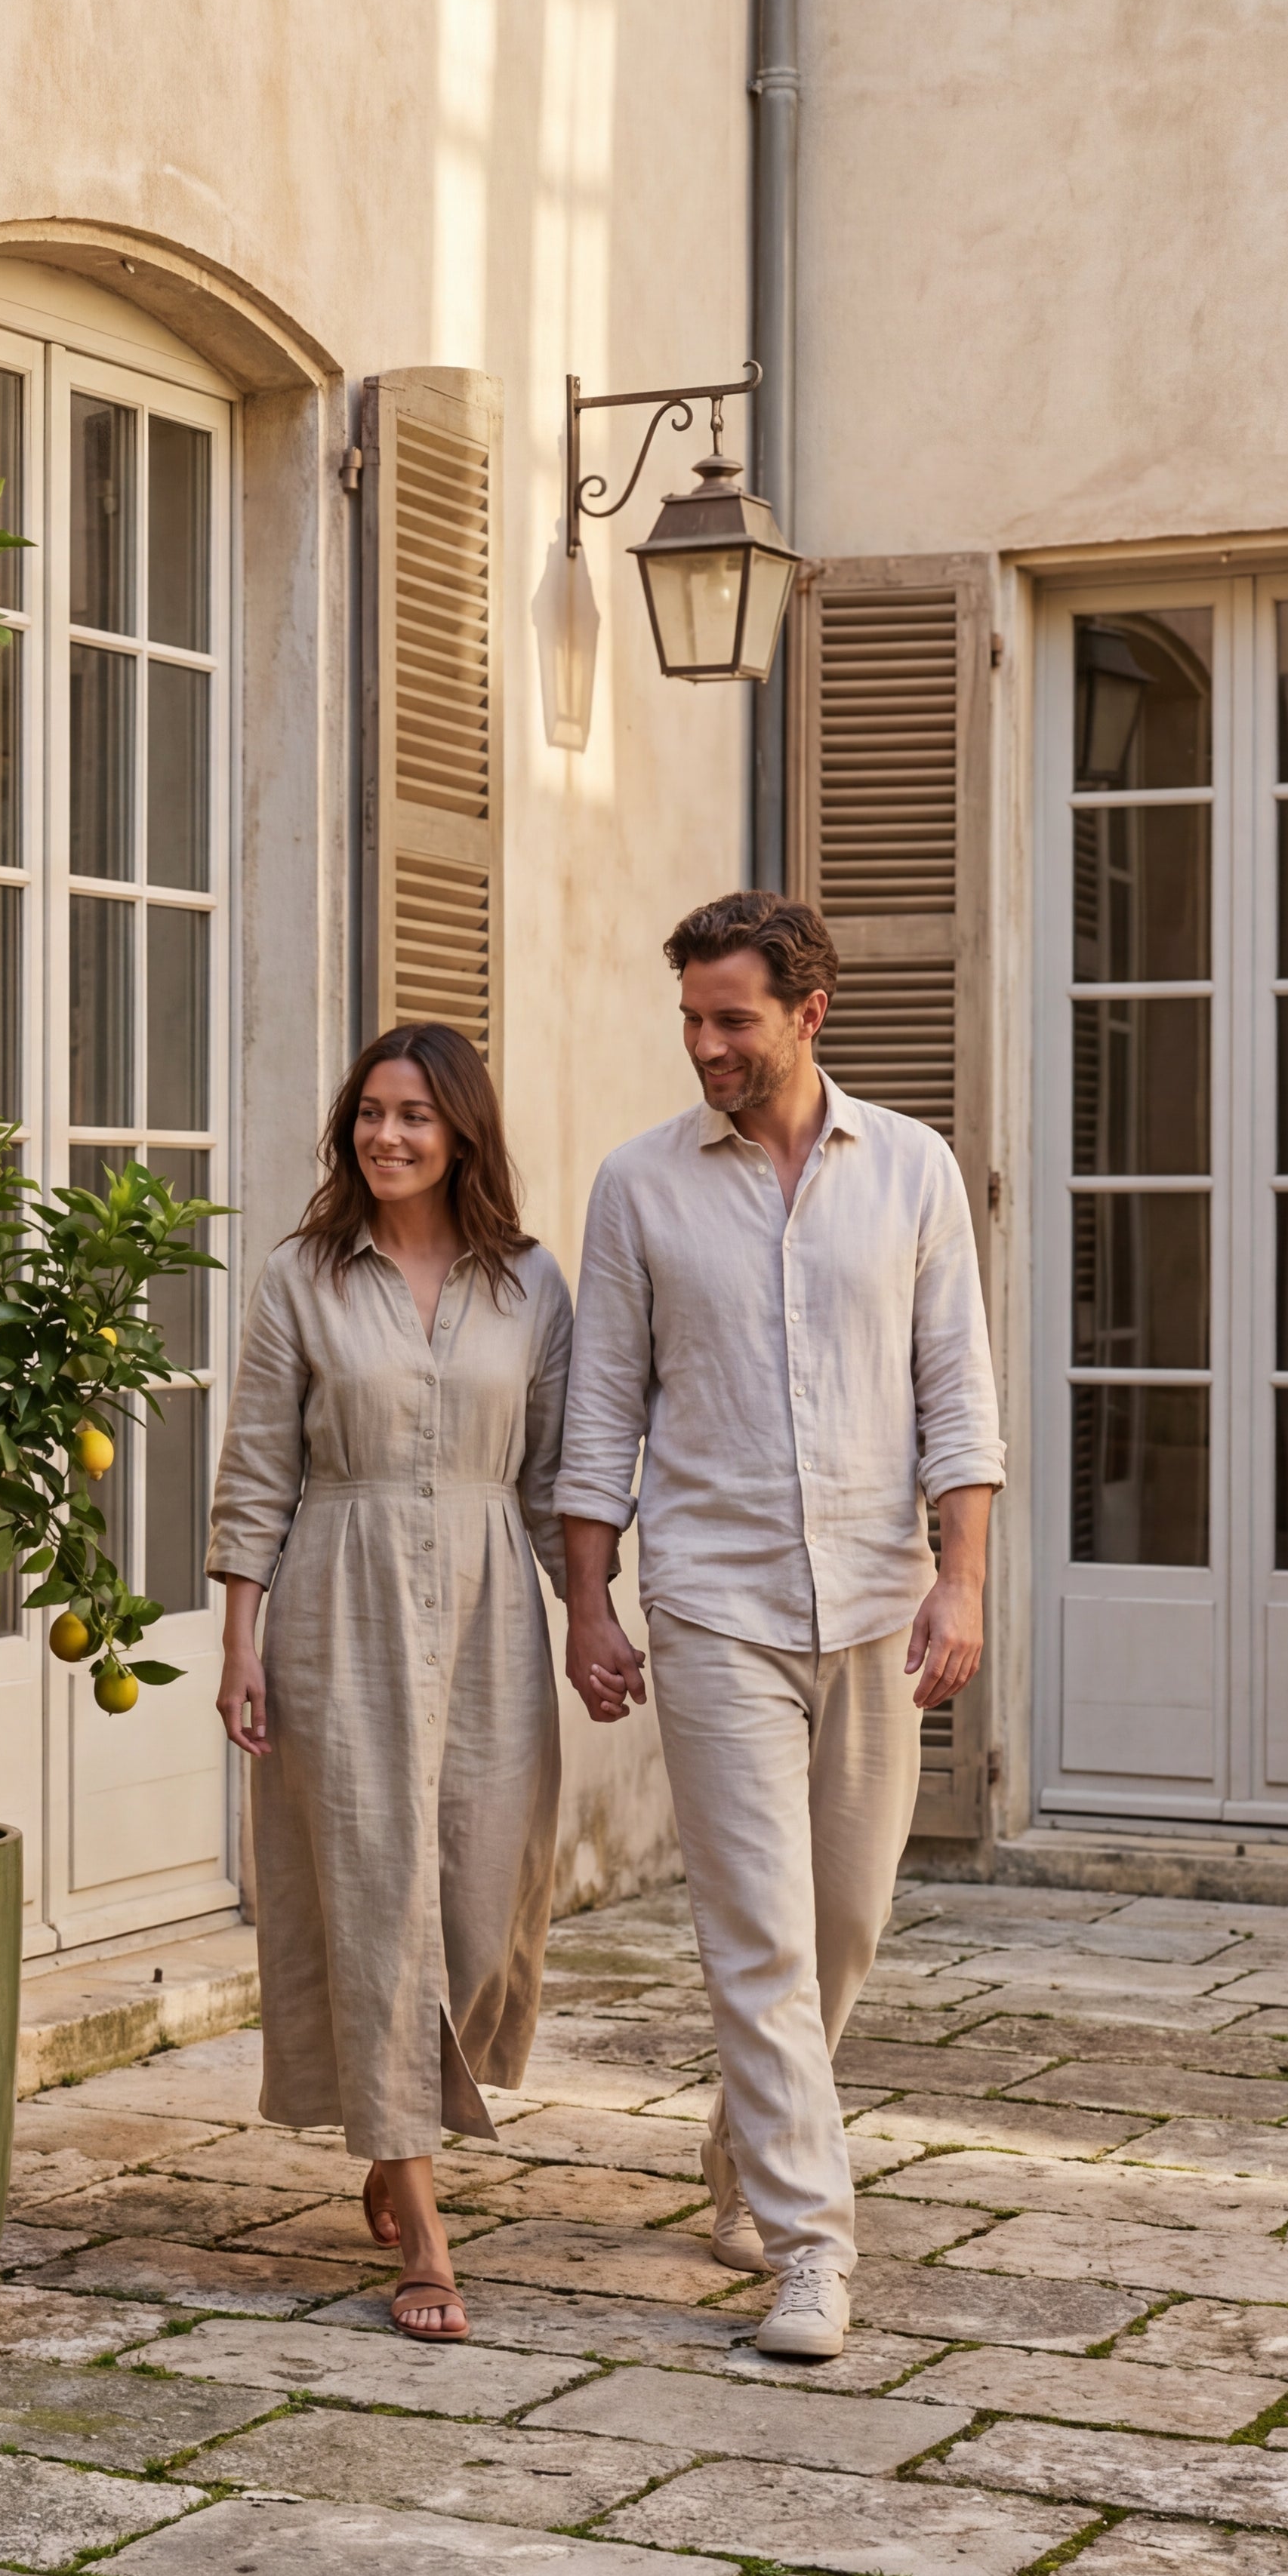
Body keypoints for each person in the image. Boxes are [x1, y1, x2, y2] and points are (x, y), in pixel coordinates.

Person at [556, 891, 1001, 2364]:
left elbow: (957, 1392)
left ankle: (745, 2136)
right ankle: (811, 2247)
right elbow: (599, 1407)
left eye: (728, 1018)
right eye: (688, 1018)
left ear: (808, 1014)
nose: (702, 1044)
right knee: (754, 1926)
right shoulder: (638, 1184)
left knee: (843, 1922)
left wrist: (961, 1579)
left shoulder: (914, 1171)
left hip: (878, 1605)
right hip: (711, 1604)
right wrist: (587, 1599)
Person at [210, 1023, 576, 2344]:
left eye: (416, 1115)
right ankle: (422, 2225)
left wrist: (591, 1621)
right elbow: (256, 1469)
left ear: (461, 1131)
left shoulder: (533, 1287)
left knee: (481, 1903)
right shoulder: (300, 1277)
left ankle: (394, 2127)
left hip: (492, 1616)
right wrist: (240, 1640)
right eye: (369, 1113)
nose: (387, 1136)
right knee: (372, 1897)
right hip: (337, 1599)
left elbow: (553, 1485)